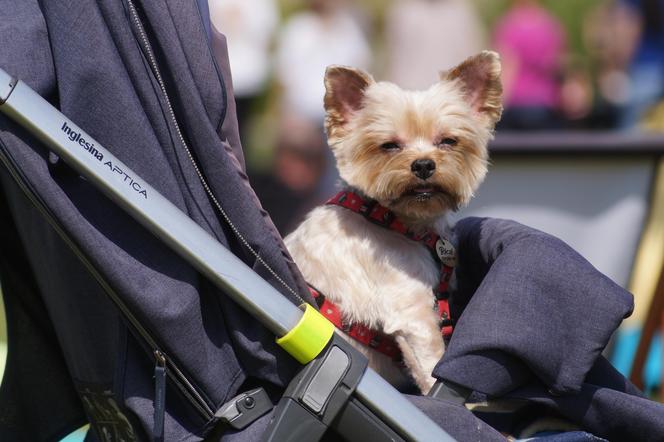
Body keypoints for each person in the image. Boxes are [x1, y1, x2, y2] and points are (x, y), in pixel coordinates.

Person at [493, 0, 568, 130]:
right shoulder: (551, 25)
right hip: (545, 104)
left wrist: (495, 107)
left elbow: (507, 69)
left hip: (516, 106)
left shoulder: (509, 26)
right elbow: (558, 66)